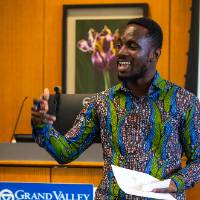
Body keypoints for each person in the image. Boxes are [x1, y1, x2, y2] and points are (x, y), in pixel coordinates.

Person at [31, 17, 200, 199]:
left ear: (155, 55)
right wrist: (42, 127)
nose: (121, 52)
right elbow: (66, 152)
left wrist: (175, 183)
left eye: (132, 46)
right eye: (119, 45)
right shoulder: (102, 102)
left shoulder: (184, 101)